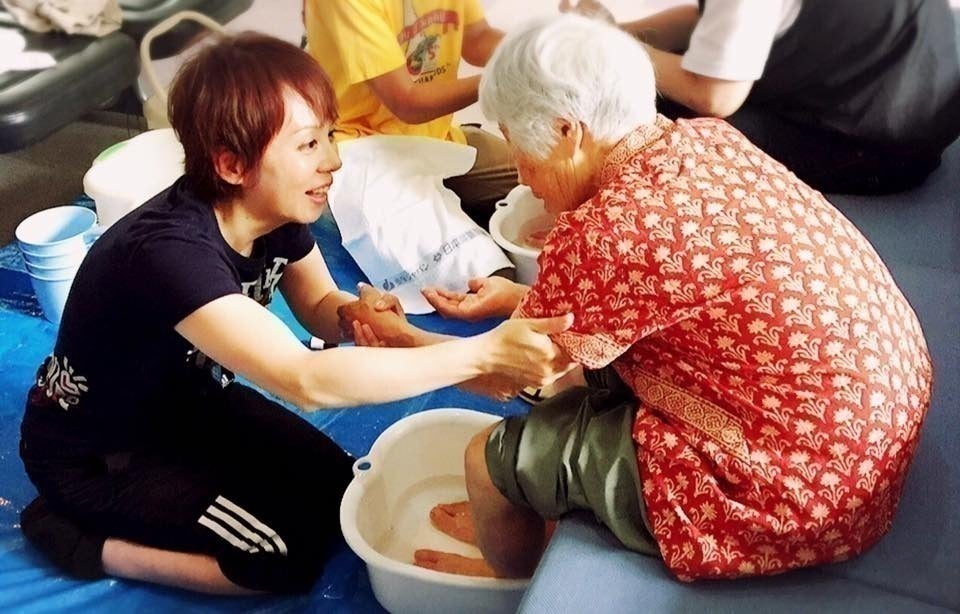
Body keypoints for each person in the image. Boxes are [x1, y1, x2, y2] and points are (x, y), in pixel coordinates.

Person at [342, 15, 934, 580]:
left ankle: (511, 574)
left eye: (517, 145)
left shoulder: (603, 232)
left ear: (568, 132)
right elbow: (670, 292)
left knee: (486, 459)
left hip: (807, 490)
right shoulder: (708, 139)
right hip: (877, 423)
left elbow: (505, 375)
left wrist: (403, 341)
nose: (521, 175)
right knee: (588, 377)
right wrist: (513, 299)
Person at [17, 33, 575, 595]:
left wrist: (361, 314)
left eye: (328, 136)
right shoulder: (170, 254)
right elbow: (305, 380)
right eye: (309, 144)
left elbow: (320, 307)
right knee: (280, 557)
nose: (333, 159)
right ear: (232, 164)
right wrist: (478, 354)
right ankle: (85, 544)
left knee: (339, 492)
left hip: (190, 407)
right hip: (103, 454)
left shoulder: (275, 213)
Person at [561, 0, 960, 195]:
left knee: (644, 115)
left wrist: (606, 48)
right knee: (661, 68)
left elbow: (713, 96)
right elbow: (714, 23)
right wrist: (617, 32)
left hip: (882, 144)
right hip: (917, 84)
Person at [304, 0, 517, 223]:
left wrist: (531, 48)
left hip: (437, 137)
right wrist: (498, 80)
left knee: (532, 177)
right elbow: (405, 102)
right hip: (362, 149)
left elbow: (477, 38)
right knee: (445, 238)